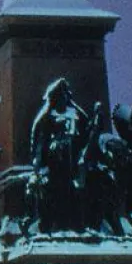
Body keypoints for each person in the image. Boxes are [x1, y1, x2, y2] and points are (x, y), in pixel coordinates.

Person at [28, 78, 88, 233]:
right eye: (61, 96)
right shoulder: (48, 116)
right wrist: (38, 163)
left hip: (72, 158)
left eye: (66, 96)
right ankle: (55, 224)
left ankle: (75, 223)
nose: (65, 98)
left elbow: (85, 123)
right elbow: (40, 139)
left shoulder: (73, 113)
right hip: (56, 159)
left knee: (72, 189)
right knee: (58, 189)